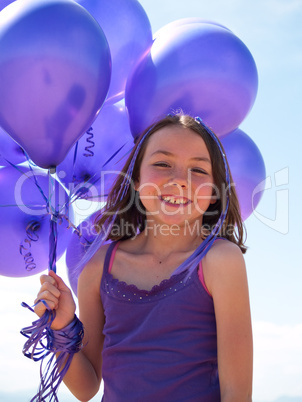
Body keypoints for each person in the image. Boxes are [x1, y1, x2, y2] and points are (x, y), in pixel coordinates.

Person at [34, 114, 253, 401]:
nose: (179, 181)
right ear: (135, 179)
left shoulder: (220, 261)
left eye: (198, 170)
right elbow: (86, 386)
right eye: (162, 164)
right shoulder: (98, 266)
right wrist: (62, 326)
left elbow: (237, 394)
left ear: (214, 191)